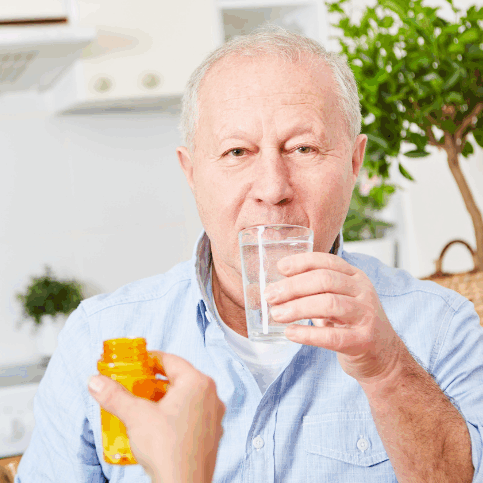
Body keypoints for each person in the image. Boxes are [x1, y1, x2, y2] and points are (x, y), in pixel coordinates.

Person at [16, 25, 483, 483]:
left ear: (354, 163)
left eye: (303, 147)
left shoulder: (442, 327)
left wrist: (388, 370)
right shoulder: (98, 339)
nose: (272, 188)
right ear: (192, 171)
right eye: (237, 151)